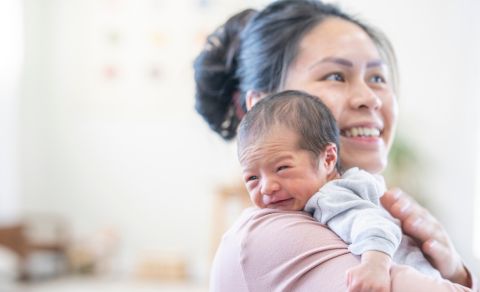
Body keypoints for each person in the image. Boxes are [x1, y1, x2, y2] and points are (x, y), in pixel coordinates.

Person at [193, 0, 478, 290]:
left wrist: (456, 272)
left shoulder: (359, 205)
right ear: (261, 107)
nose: (371, 98)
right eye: (335, 76)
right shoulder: (271, 232)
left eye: (378, 78)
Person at [236, 90, 441, 291]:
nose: (266, 187)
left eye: (282, 168)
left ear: (328, 159)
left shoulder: (330, 197)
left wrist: (374, 266)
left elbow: (377, 226)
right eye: (252, 178)